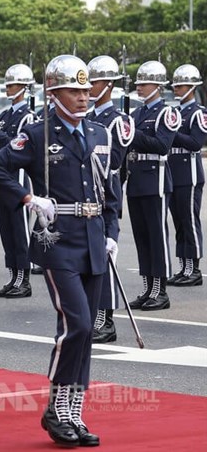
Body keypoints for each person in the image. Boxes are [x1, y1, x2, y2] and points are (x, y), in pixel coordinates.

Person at [0, 55, 118, 448]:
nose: (82, 96)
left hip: (94, 239)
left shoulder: (99, 134)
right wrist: (29, 198)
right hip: (57, 242)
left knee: (87, 330)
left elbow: (111, 191)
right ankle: (57, 408)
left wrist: (112, 233)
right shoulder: (38, 134)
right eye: (73, 90)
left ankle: (74, 412)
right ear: (54, 93)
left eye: (85, 88)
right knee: (75, 324)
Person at [86, 55, 135, 343]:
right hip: (86, 188)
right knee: (89, 255)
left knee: (106, 252)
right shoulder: (89, 118)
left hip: (106, 188)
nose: (89, 87)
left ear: (108, 84)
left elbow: (115, 160)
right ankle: (94, 314)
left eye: (94, 82)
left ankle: (106, 319)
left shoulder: (118, 121)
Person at [126, 60, 180, 311]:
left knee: (157, 236)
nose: (139, 87)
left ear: (157, 86)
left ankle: (161, 290)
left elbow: (162, 146)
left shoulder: (166, 114)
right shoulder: (136, 114)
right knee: (142, 237)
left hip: (155, 179)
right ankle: (148, 286)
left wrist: (131, 135)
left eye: (144, 83)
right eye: (138, 83)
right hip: (136, 178)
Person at [0, 63, 36, 299]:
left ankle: (24, 279)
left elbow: (19, 146)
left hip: (19, 178)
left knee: (20, 231)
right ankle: (13, 276)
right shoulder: (4, 115)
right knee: (7, 231)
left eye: (12, 85)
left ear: (23, 87)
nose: (7, 88)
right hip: (3, 179)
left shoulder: (29, 117)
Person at [168, 64, 205, 287]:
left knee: (190, 223)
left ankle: (194, 270)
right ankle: (183, 267)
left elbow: (195, 143)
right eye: (175, 85)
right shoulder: (177, 112)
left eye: (180, 86)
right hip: (175, 175)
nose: (176, 89)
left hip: (189, 176)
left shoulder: (198, 113)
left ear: (191, 87)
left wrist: (172, 133)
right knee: (180, 223)